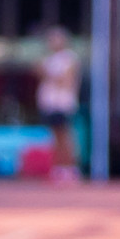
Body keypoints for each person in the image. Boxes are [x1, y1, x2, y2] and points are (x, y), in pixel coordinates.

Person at [36, 26, 81, 183]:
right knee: (54, 137)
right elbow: (40, 75)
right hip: (49, 103)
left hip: (62, 103)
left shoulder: (68, 58)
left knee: (65, 136)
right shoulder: (49, 59)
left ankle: (71, 167)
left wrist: (50, 74)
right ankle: (59, 167)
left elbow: (65, 80)